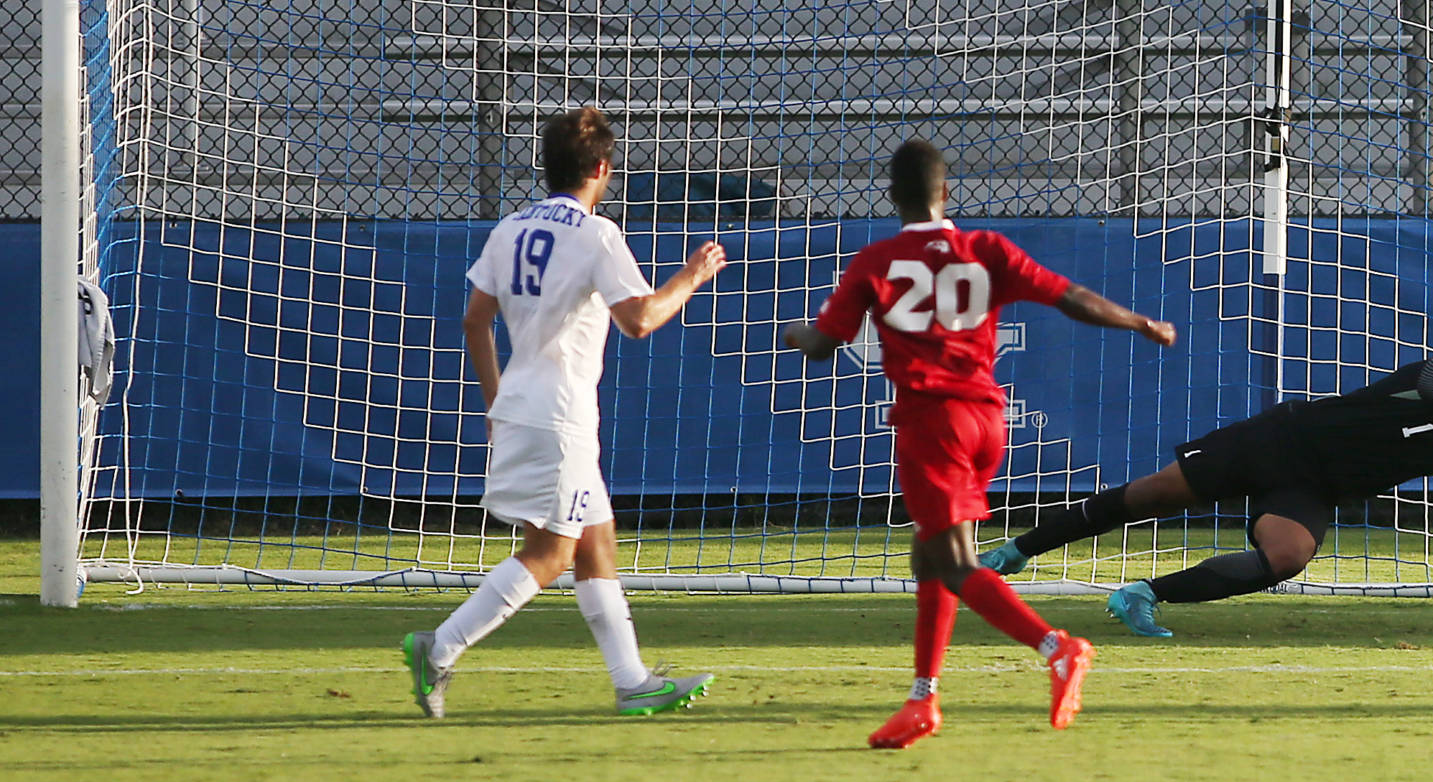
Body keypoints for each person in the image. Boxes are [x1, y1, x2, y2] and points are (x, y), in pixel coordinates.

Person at [781, 137, 1177, 749]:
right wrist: (1138, 321)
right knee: (929, 558)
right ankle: (923, 699)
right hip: (985, 419)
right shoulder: (985, 249)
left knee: (957, 562)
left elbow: (826, 343)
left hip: (930, 421)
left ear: (893, 197)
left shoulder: (876, 260)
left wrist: (796, 333)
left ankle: (1058, 648)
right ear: (947, 193)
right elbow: (1070, 297)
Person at [980, 332, 1433, 635]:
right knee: (1144, 498)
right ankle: (1014, 552)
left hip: (1313, 486)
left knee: (1288, 556)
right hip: (1277, 439)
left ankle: (1140, 595)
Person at [402, 106, 727, 719]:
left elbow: (475, 319)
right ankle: (439, 647)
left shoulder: (511, 229)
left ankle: (631, 681)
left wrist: (496, 399)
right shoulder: (596, 233)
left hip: (525, 403)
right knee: (552, 553)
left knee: (596, 541)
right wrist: (691, 275)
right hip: (561, 415)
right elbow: (639, 320)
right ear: (601, 169)